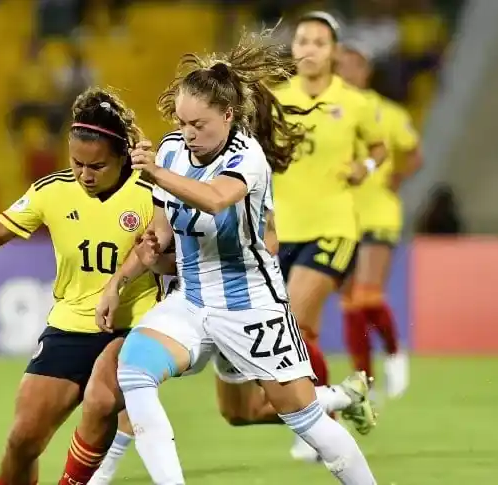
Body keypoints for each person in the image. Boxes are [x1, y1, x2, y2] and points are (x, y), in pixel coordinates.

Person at [95, 29, 378, 484]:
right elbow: (160, 232)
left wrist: (156, 174)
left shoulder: (248, 158)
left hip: (252, 308)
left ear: (228, 116)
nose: (187, 135)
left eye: (198, 125)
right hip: (192, 303)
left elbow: (214, 199)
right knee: (133, 370)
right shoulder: (171, 151)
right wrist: (121, 280)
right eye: (182, 123)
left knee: (304, 420)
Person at [0, 87, 161, 485]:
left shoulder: (150, 192)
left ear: (121, 155)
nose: (84, 174)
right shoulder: (52, 191)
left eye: (96, 166)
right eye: (77, 162)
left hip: (132, 326)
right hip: (70, 327)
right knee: (22, 439)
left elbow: (174, 254)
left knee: (101, 402)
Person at [270, 11, 389, 461]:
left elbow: (379, 148)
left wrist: (366, 167)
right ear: (294, 47)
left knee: (295, 324)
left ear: (335, 52)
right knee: (295, 334)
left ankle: (320, 425)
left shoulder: (355, 102)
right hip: (283, 233)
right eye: (303, 40)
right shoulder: (275, 100)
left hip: (334, 228)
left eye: (320, 42)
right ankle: (342, 400)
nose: (310, 49)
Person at [336, 39, 423, 399]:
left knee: (366, 294)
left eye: (353, 64)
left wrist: (397, 178)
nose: (346, 71)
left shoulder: (388, 113)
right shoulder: (327, 111)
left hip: (379, 213)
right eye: (340, 64)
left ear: (366, 70)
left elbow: (414, 155)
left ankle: (393, 353)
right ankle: (365, 381)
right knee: (350, 301)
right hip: (340, 216)